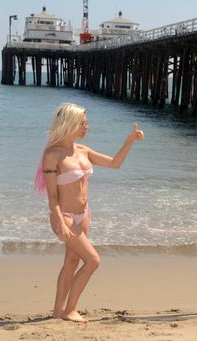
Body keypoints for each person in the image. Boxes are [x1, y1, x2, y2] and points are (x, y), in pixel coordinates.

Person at [34, 103, 144, 323]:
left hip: (84, 214)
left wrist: (130, 140)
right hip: (64, 216)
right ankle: (70, 310)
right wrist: (59, 221)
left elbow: (115, 163)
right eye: (83, 123)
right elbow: (53, 196)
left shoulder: (83, 151)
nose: (87, 127)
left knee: (72, 262)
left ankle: (58, 311)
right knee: (93, 261)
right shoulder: (52, 155)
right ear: (70, 124)